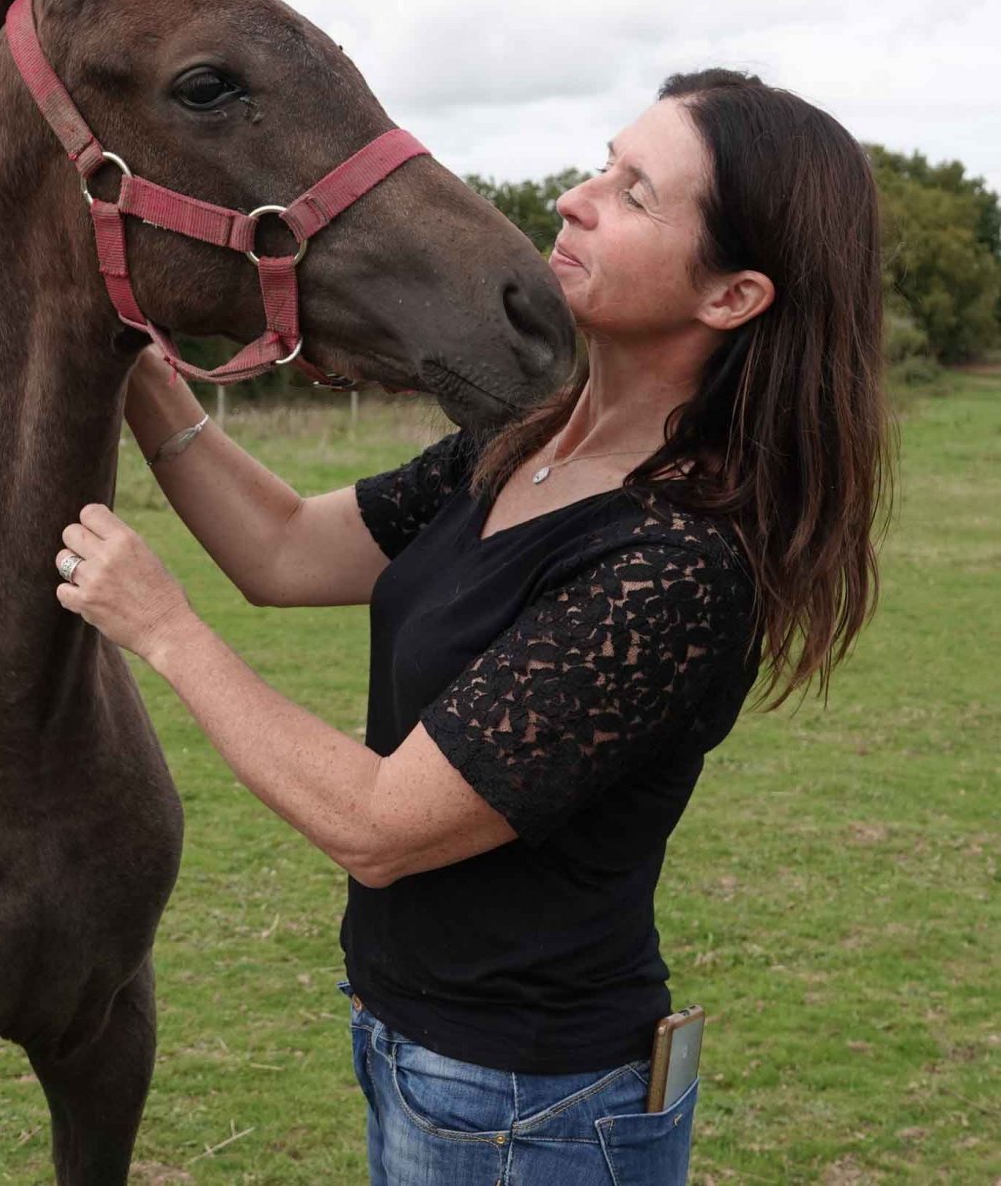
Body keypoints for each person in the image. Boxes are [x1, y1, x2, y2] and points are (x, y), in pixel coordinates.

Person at [52, 70, 889, 1186]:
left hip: (534, 1109)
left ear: (732, 296)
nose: (576, 199)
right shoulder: (522, 441)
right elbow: (286, 549)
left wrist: (166, 630)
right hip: (423, 1055)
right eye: (603, 164)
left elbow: (379, 824)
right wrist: (138, 363)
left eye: (636, 193)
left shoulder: (677, 563)